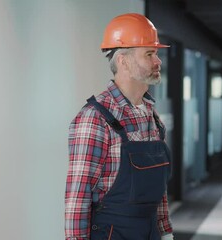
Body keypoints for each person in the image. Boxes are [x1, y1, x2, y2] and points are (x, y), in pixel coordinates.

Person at [65, 13, 174, 240]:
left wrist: (165, 232)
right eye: (149, 54)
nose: (158, 61)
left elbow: (159, 191)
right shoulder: (95, 119)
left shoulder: (152, 117)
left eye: (156, 53)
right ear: (124, 61)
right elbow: (78, 199)